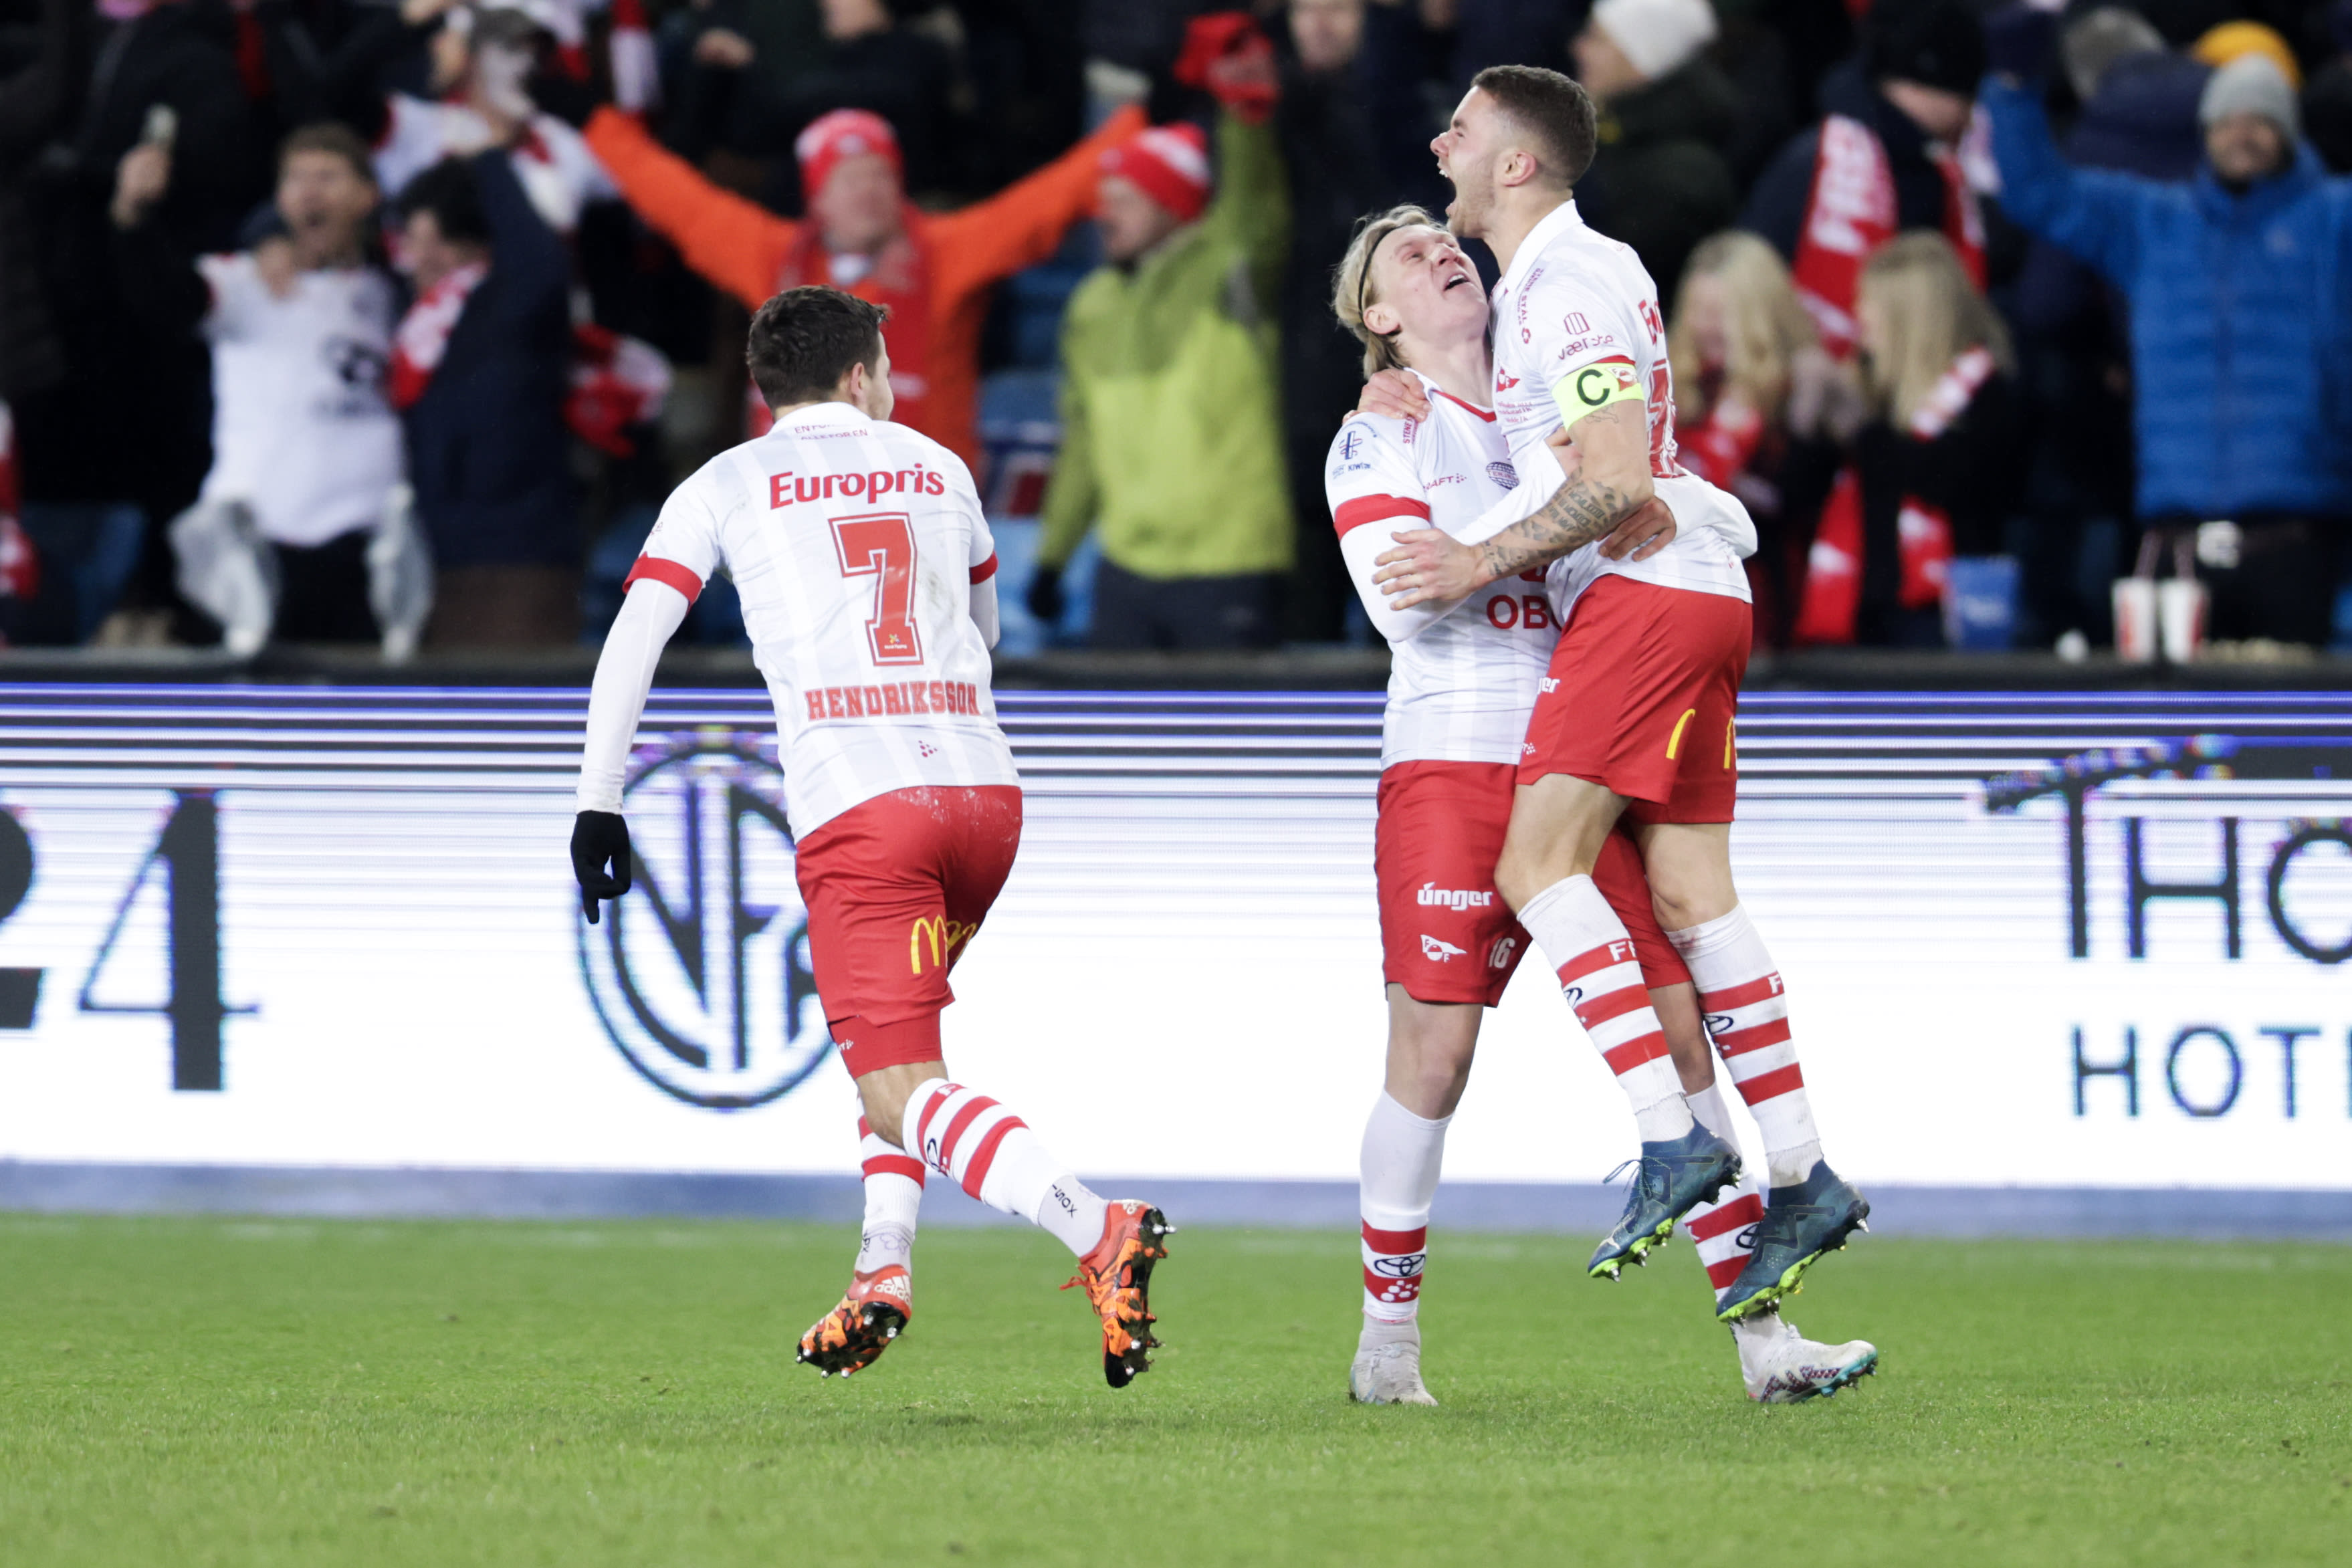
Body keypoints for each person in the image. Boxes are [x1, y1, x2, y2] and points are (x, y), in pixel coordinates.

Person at [570, 286, 1172, 1388]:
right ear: (859, 376)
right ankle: (879, 1269)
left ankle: (1097, 1227)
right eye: (885, 366)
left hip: (864, 807)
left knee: (899, 1082)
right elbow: (984, 633)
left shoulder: (725, 483)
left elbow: (635, 636)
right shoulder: (939, 467)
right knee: (899, 1057)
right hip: (985, 799)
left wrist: (598, 799)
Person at [1330, 206, 1877, 1405]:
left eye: (1443, 239)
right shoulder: (1377, 435)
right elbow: (1398, 594)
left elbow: (1698, 506)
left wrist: (1626, 506)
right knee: (1434, 1056)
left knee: (1681, 1035)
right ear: (1378, 316)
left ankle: (1768, 1347)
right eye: (1406, 254)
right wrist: (1565, 524)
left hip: (1585, 749)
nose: (1440, 251)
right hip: (1457, 756)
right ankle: (1387, 1345)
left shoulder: (1546, 394)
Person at [1985, 45, 2352, 648]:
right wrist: (2012, 84)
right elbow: (2037, 193)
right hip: (2174, 541)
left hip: (2297, 538)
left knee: (2293, 710)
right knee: (2165, 711)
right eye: (2227, 120)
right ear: (2204, 133)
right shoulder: (2153, 222)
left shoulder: (2332, 220)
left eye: (2261, 120)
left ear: (2288, 133)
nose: (2242, 133)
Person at [584, 97, 1148, 467]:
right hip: (798, 532)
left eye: (880, 175)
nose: (868, 192)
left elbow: (1051, 200)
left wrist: (1142, 117)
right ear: (818, 199)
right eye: (848, 179)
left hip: (923, 529)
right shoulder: (775, 260)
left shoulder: (946, 254)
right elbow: (678, 203)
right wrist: (596, 125)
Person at [115, 122, 425, 657]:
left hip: (367, 553)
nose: (309, 192)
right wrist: (132, 216)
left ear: (366, 195)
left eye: (327, 177)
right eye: (295, 179)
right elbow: (163, 296)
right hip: (257, 553)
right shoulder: (245, 283)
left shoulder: (395, 289)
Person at [1031, 21, 1293, 649]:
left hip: (1229, 563)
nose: (1105, 214)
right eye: (1105, 199)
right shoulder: (1092, 302)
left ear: (1173, 205)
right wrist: (1052, 557)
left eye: (1125, 198)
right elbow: (1084, 444)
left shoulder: (1227, 272)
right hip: (1124, 570)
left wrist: (1244, 119)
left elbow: (1256, 210)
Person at [391, 152, 580, 647]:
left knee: (521, 694)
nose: (422, 258)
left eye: (439, 241)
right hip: (428, 561)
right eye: (413, 241)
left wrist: (491, 160)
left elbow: (541, 264)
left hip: (518, 559)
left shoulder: (512, 308)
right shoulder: (409, 325)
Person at [1804, 231, 2020, 647]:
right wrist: (1810, 418)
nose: (1858, 313)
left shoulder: (1983, 392)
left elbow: (1945, 481)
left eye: (1870, 302)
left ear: (1909, 317)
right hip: (1859, 614)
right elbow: (1801, 491)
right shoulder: (1867, 388)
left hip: (1946, 615)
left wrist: (1860, 432)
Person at [1740, 0, 1988, 356]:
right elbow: (1750, 270)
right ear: (1933, 89)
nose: (1971, 113)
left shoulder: (1929, 165)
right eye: (1968, 95)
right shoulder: (1819, 161)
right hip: (1804, 365)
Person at [1667, 231, 1856, 648]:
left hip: (1771, 610)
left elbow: (1802, 506)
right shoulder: (1672, 383)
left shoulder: (1800, 391)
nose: (1706, 327)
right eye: (1698, 310)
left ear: (1760, 316)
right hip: (1677, 602)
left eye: (1721, 313)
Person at [1568, 0, 1740, 315]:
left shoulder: (1681, 177)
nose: (1579, 48)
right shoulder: (1615, 131)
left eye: (1598, 39)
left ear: (1642, 57)